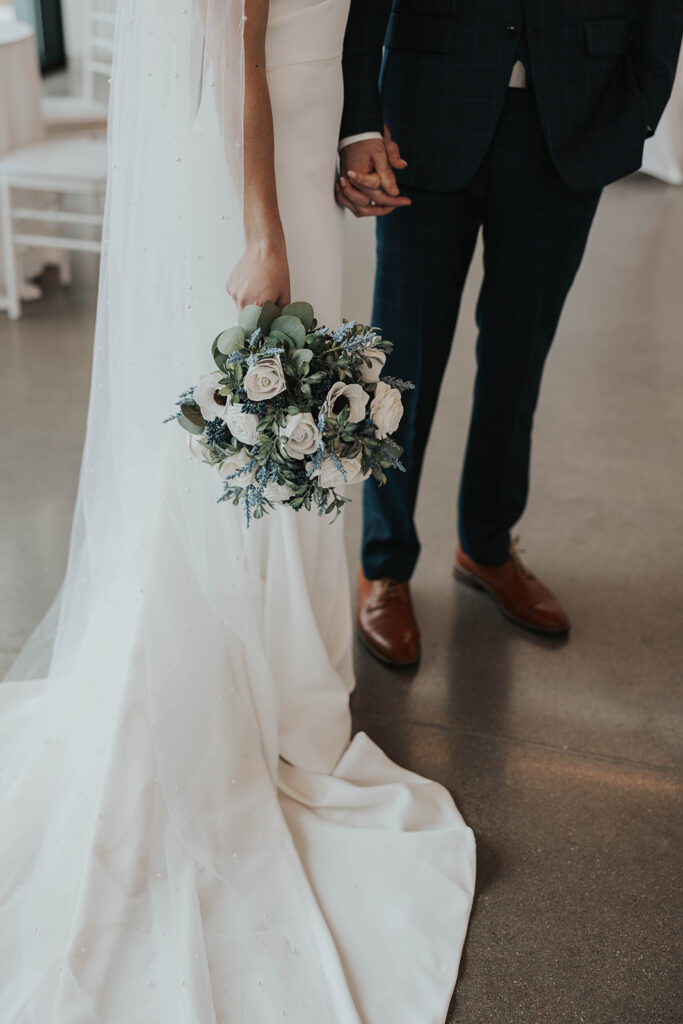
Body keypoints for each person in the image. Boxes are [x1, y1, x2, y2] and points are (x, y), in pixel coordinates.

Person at [0, 2, 476, 1020]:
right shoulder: (257, 189)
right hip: (254, 172)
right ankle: (249, 675)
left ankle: (278, 659)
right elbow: (228, 46)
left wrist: (337, 143)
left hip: (301, 150)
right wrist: (263, 230)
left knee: (271, 442)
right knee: (250, 428)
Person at [338, 1, 683, 666]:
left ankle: (488, 546)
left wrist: (637, 110)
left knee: (518, 356)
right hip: (428, 106)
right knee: (400, 361)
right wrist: (356, 121)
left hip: (572, 119)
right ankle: (383, 565)